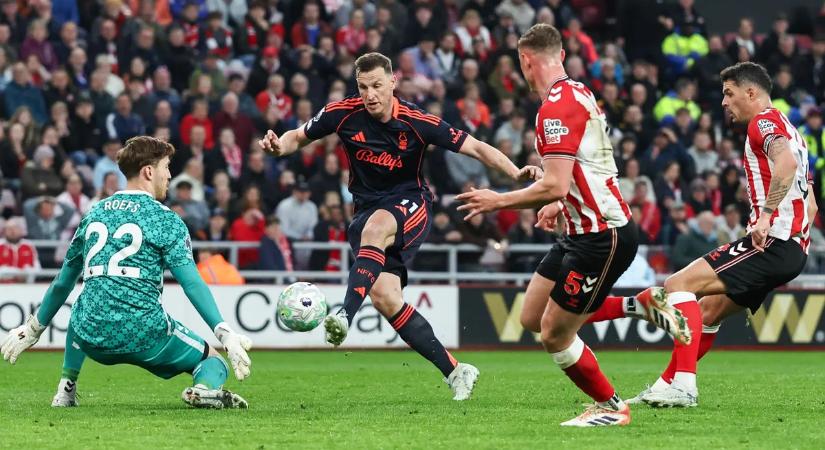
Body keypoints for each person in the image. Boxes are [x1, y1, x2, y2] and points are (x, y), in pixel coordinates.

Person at [259, 52, 539, 401]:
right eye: (363, 87)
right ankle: (456, 370)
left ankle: (344, 315)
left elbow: (476, 147)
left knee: (376, 229)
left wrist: (515, 172)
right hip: (365, 209)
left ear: (394, 82)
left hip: (411, 203)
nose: (370, 94)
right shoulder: (342, 113)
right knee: (386, 298)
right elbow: (297, 136)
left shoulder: (416, 121)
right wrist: (277, 147)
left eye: (377, 85)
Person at [454, 24, 689, 426]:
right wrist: (558, 202)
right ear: (561, 55)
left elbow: (558, 182)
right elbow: (584, 168)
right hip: (579, 229)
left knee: (554, 333)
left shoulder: (554, 108)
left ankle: (611, 407)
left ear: (525, 61)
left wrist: (499, 200)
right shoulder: (578, 92)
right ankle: (639, 304)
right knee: (532, 317)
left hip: (602, 235)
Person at [587, 62, 815, 408]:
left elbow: (785, 166)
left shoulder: (763, 123)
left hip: (774, 243)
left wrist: (767, 217)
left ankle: (684, 386)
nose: (724, 102)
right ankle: (666, 384)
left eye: (729, 93)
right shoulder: (794, 133)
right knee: (707, 312)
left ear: (751, 92)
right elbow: (811, 205)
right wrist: (792, 237)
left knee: (678, 285)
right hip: (793, 249)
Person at [1, 136, 253, 409]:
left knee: (83, 303)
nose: (169, 175)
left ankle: (65, 389)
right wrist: (224, 332)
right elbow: (191, 283)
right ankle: (202, 389)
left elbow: (63, 282)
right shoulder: (166, 219)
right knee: (213, 361)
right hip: (145, 335)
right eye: (166, 167)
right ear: (149, 171)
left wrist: (32, 329)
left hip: (92, 336)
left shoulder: (94, 213)